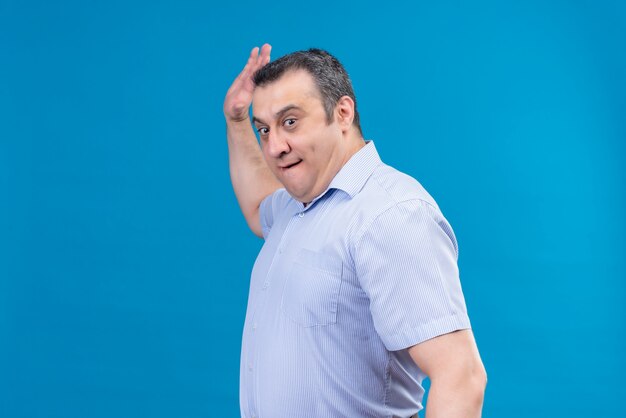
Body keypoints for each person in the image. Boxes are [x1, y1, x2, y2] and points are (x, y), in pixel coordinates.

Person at [223, 44, 487, 418]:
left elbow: (461, 375)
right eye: (264, 129)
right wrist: (237, 121)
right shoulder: (296, 205)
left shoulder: (390, 214)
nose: (275, 146)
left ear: (342, 112)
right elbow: (256, 206)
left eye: (291, 122)